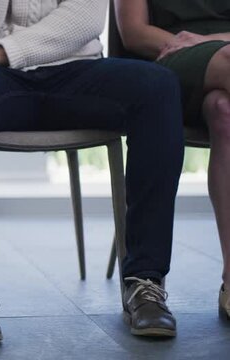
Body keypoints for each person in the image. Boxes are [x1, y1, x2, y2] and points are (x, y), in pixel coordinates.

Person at [0, 0, 184, 343]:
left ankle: (145, 282)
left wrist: (3, 53)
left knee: (158, 86)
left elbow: (85, 19)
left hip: (73, 72)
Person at [115, 0, 230, 321]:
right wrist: (205, 46)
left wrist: (209, 40)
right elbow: (134, 32)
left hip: (222, 55)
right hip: (164, 65)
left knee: (224, 112)